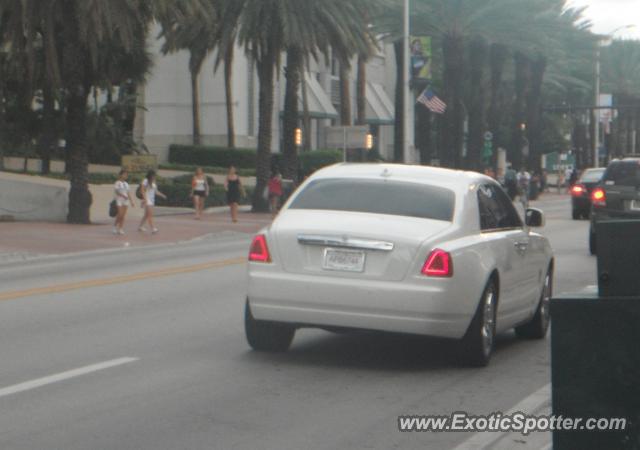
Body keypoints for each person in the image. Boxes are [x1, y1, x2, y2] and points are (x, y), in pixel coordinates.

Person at [113, 169, 135, 235]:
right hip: (119, 200)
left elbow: (128, 193)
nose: (125, 176)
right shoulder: (117, 183)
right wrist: (122, 195)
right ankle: (115, 226)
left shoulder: (126, 184)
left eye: (126, 175)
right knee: (120, 214)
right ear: (121, 175)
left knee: (123, 215)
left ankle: (120, 228)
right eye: (124, 174)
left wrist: (132, 201)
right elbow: (116, 191)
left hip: (126, 201)